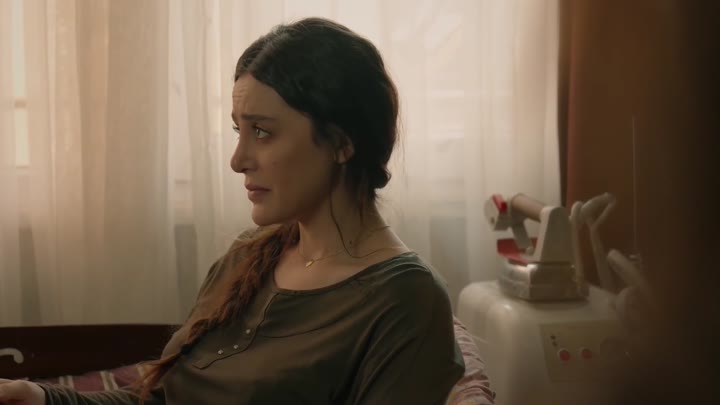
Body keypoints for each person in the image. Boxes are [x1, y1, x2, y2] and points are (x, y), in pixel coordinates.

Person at [0, 17, 465, 405]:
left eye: (262, 132)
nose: (238, 160)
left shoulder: (405, 301)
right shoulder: (249, 256)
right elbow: (162, 400)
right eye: (238, 131)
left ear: (342, 143)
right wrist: (41, 398)